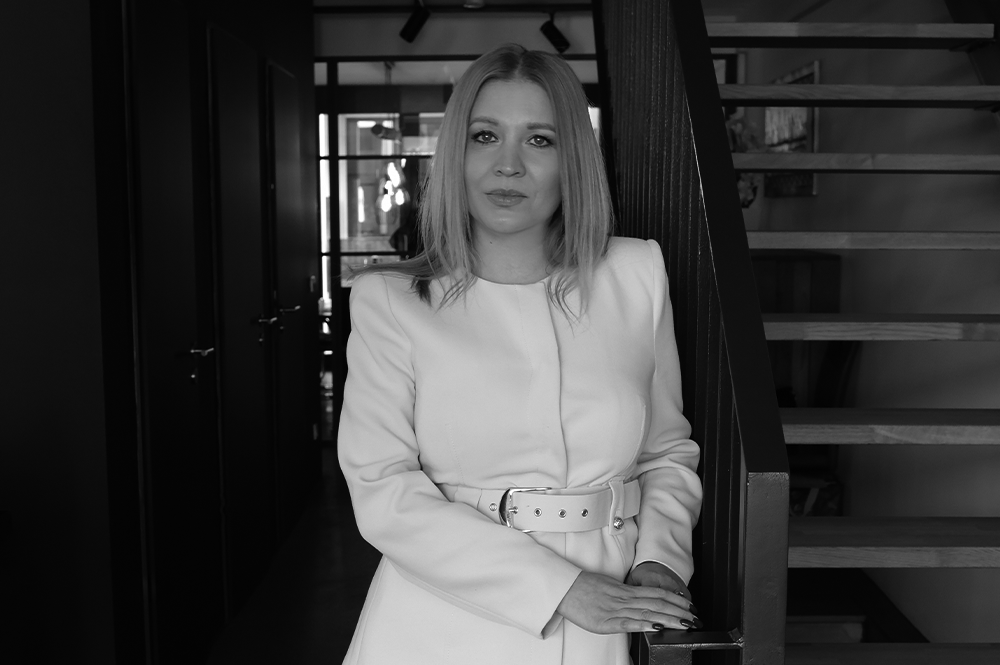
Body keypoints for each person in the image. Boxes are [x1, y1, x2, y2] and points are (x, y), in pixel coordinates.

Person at [338, 44, 703, 665]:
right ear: (456, 155)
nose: (508, 165)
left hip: (604, 617)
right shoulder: (391, 300)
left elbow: (665, 452)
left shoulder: (637, 274)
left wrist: (661, 561)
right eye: (485, 136)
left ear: (572, 160)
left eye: (539, 140)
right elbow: (382, 490)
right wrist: (560, 589)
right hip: (436, 622)